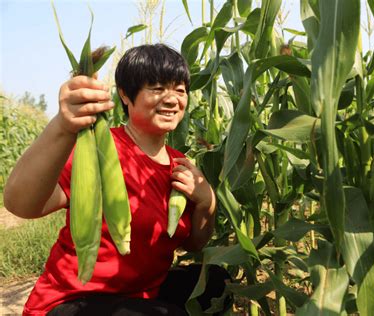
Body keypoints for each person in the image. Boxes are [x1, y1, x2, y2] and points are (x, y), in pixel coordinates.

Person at [4, 44, 232, 315]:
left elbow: (192, 244)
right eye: (157, 88)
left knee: (218, 283)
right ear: (125, 94)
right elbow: (22, 204)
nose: (172, 99)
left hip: (142, 293)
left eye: (180, 90)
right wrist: (63, 126)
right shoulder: (99, 148)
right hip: (75, 300)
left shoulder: (179, 165)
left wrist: (207, 202)